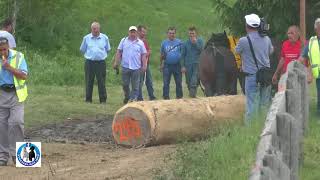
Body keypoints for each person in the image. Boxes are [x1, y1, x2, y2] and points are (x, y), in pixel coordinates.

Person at [235, 14, 274, 122]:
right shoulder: (267, 38)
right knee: (264, 104)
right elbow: (271, 51)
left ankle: (250, 129)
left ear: (247, 25)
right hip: (265, 75)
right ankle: (264, 126)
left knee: (251, 104)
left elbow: (236, 51)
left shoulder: (243, 40)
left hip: (251, 76)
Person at [0, 37, 28, 166]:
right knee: (2, 126)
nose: (2, 53)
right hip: (2, 94)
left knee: (16, 122)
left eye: (4, 49)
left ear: (9, 47)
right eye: (0, 50)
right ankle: (3, 156)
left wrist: (9, 67)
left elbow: (24, 75)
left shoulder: (18, 56)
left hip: (16, 94)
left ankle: (19, 155)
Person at [113, 26, 147, 103]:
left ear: (136, 33)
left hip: (136, 67)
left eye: (134, 32)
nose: (132, 33)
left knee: (135, 86)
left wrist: (144, 66)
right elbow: (119, 51)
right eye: (131, 32)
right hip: (125, 67)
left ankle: (133, 100)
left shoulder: (140, 43)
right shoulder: (123, 41)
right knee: (125, 85)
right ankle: (127, 96)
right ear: (129, 32)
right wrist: (116, 62)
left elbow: (143, 55)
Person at [80, 22, 111, 103]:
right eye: (93, 29)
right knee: (89, 81)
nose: (95, 30)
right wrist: (91, 55)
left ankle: (103, 100)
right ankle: (88, 99)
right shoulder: (86, 38)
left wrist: (100, 55)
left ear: (99, 29)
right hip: (89, 62)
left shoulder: (105, 38)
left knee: (101, 81)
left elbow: (107, 49)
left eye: (96, 29)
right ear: (91, 29)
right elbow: (82, 49)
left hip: (101, 63)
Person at [299, 18, 320, 115]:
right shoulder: (312, 42)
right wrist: (308, 73)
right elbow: (302, 58)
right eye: (318, 28)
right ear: (316, 29)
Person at [160, 27, 183, 99]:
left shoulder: (179, 42)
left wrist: (183, 65)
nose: (171, 34)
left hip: (177, 65)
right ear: (167, 34)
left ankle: (179, 98)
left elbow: (183, 54)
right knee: (166, 83)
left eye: (173, 33)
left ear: (175, 34)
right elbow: (162, 55)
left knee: (178, 82)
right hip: (167, 65)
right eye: (170, 33)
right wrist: (161, 64)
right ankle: (166, 98)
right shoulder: (164, 43)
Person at [181, 26, 204, 98]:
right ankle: (193, 97)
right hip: (188, 65)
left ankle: (192, 95)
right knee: (188, 82)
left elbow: (202, 51)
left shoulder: (200, 41)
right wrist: (182, 66)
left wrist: (195, 43)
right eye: (190, 33)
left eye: (193, 33)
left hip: (197, 64)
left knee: (194, 81)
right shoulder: (185, 43)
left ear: (196, 33)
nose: (191, 35)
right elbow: (182, 55)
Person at [137, 25, 156, 101]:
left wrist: (148, 52)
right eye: (143, 32)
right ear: (138, 32)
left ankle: (151, 96)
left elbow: (147, 50)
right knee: (140, 82)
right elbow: (140, 53)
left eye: (145, 32)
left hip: (146, 64)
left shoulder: (144, 41)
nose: (144, 33)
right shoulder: (137, 42)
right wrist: (147, 53)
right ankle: (139, 97)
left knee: (149, 81)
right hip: (139, 65)